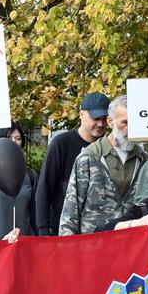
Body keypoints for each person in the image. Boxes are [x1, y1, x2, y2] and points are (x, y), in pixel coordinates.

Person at [59, 96, 148, 235]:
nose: (130, 128)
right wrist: (68, 250)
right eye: (125, 123)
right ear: (110, 122)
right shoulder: (89, 158)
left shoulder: (144, 159)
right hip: (95, 245)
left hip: (134, 245)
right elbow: (71, 211)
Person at [35, 92, 109, 235]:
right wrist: (43, 230)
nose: (100, 124)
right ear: (81, 113)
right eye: (95, 118)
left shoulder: (109, 147)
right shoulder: (61, 144)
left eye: (104, 119)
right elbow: (44, 189)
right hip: (65, 234)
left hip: (101, 235)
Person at [0, 123, 37, 237]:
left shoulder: (30, 175)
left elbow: (36, 213)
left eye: (18, 138)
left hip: (25, 242)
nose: (14, 142)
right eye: (9, 138)